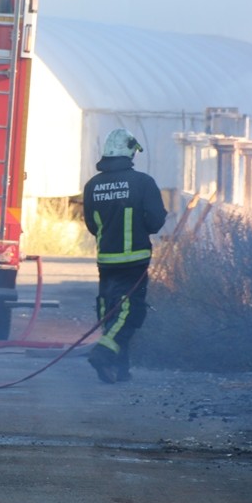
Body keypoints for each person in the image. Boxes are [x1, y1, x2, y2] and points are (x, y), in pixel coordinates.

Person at [82, 128, 168, 384]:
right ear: (130, 151)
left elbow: (91, 225)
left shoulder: (92, 185)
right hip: (134, 261)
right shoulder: (142, 182)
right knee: (130, 313)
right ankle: (103, 353)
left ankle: (120, 368)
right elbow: (155, 222)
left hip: (106, 261)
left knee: (110, 310)